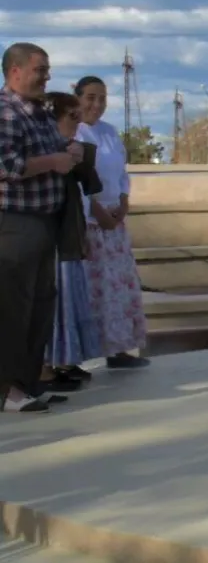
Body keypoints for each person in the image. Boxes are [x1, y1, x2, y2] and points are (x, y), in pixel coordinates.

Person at [0, 43, 82, 412]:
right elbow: (8, 166)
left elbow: (49, 153)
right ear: (15, 71)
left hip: (44, 222)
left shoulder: (40, 113)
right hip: (14, 223)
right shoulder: (4, 111)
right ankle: (6, 390)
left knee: (39, 308)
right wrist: (54, 160)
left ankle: (28, 383)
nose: (47, 76)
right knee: (12, 308)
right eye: (40, 69)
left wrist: (69, 151)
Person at [74, 76, 150, 369]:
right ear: (78, 97)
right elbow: (78, 180)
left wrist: (123, 201)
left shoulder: (109, 133)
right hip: (90, 223)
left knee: (117, 291)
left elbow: (121, 175)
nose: (96, 104)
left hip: (114, 223)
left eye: (102, 99)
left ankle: (118, 349)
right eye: (91, 97)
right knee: (93, 291)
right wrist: (97, 211)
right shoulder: (75, 133)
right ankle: (80, 356)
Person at [44, 92, 103, 385]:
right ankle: (46, 366)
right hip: (51, 237)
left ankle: (66, 360)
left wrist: (80, 154)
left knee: (71, 298)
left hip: (70, 231)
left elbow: (92, 183)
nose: (77, 123)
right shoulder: (45, 152)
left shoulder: (74, 147)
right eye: (72, 117)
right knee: (54, 301)